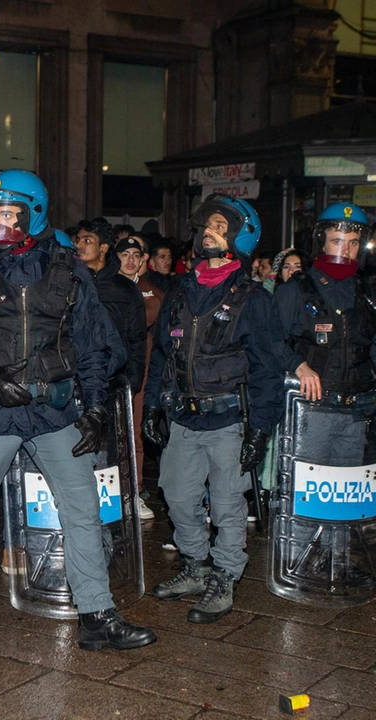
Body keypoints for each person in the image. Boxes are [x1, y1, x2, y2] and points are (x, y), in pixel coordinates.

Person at [0, 169, 155, 651]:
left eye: (10, 213)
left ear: (33, 214)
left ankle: (96, 614)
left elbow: (94, 345)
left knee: (83, 510)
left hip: (54, 411)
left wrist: (95, 409)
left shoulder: (68, 268)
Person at [143, 194, 284, 624]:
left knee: (226, 506)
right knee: (179, 499)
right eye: (208, 225)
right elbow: (164, 357)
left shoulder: (254, 299)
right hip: (184, 418)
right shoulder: (181, 292)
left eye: (221, 227)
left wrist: (259, 430)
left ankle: (225, 574)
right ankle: (197, 566)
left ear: (239, 239)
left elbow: (268, 369)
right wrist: (152, 407)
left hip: (229, 423)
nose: (210, 232)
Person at [274, 203, 375, 401]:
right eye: (337, 241)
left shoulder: (366, 291)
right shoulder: (296, 290)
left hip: (360, 405)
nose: (345, 250)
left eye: (353, 243)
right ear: (322, 243)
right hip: (312, 402)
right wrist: (298, 365)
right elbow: (269, 341)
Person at [116, 235, 164, 519]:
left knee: (135, 432)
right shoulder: (104, 288)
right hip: (111, 371)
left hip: (142, 372)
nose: (131, 260)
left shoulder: (153, 294)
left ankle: (133, 493)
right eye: (125, 255)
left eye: (137, 255)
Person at [72, 218, 147, 391]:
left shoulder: (126, 288)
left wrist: (132, 384)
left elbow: (137, 341)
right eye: (78, 240)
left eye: (87, 240)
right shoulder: (69, 282)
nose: (79, 245)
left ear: (103, 248)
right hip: (76, 380)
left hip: (113, 380)